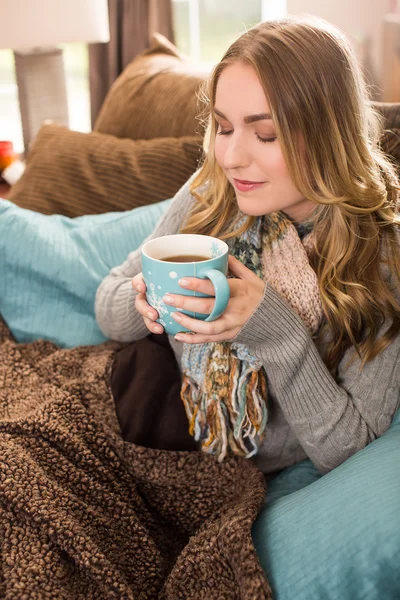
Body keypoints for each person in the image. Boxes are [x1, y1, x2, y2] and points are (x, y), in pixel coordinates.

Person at [95, 15, 400, 476]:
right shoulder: (212, 193)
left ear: (329, 134)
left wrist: (277, 330)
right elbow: (107, 303)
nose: (232, 157)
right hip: (139, 412)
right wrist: (146, 305)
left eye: (266, 134)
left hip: (213, 469)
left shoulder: (378, 256)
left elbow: (350, 453)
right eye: (222, 127)